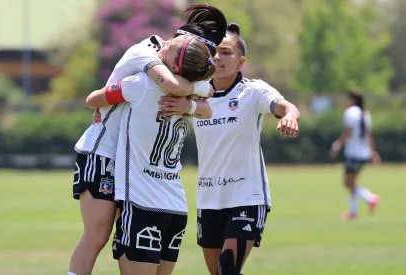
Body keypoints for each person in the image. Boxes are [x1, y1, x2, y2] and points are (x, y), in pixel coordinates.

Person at [68, 4, 227, 275]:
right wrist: (196, 91)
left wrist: (189, 103)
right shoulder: (145, 54)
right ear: (183, 43)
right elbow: (177, 87)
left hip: (135, 164)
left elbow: (206, 103)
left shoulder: (174, 68)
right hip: (104, 150)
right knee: (98, 234)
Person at [158, 23, 301, 275]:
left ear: (240, 60)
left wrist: (289, 116)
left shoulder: (253, 90)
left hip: (247, 197)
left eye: (226, 52)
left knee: (227, 270)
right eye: (214, 52)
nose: (217, 58)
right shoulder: (195, 93)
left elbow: (288, 107)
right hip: (209, 199)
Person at [329, 91, 381, 220]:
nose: (345, 101)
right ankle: (353, 212)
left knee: (347, 183)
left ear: (352, 100)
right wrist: (373, 152)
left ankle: (370, 198)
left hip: (354, 153)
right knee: (353, 183)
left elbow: (348, 131)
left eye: (347, 99)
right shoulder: (365, 113)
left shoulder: (350, 112)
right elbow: (369, 135)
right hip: (364, 153)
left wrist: (337, 145)